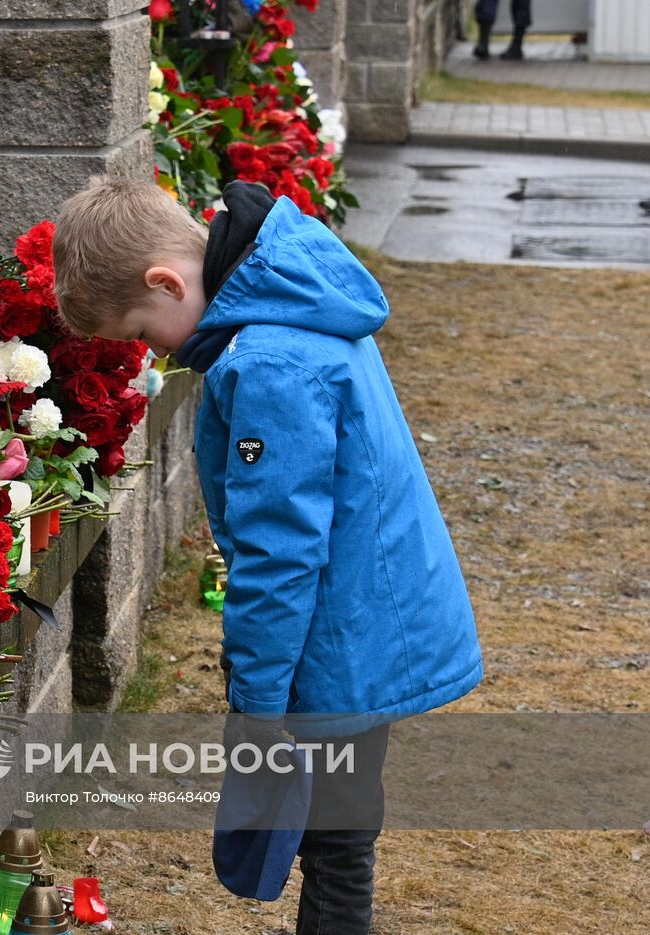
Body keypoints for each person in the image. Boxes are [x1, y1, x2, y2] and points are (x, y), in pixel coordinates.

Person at [51, 177, 483, 935]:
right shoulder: (293, 290)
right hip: (366, 613)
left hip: (338, 635)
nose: (159, 352)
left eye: (147, 334)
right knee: (341, 831)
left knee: (336, 845)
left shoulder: (269, 363)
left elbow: (278, 556)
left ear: (167, 282)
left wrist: (256, 707)